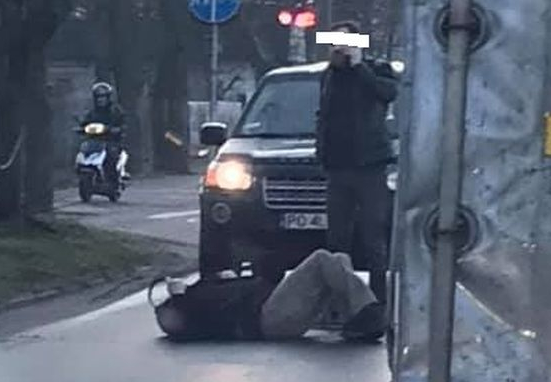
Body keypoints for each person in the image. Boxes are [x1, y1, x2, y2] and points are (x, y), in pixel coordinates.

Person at [316, 20, 398, 304]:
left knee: (373, 236)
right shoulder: (329, 76)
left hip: (369, 165)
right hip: (338, 166)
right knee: (337, 240)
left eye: (346, 41)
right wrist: (322, 154)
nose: (339, 48)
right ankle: (341, 300)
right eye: (334, 42)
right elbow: (324, 116)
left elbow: (387, 93)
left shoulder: (376, 69)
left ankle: (378, 301)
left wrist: (358, 65)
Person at [156, 250, 388, 343]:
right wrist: (179, 296)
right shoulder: (192, 305)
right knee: (321, 260)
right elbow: (179, 325)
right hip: (266, 317)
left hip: (273, 307)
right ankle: (368, 312)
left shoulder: (207, 290)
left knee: (339, 259)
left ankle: (353, 319)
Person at [81, 81, 126, 187]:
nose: (100, 99)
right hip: (94, 140)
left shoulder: (115, 110)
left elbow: (123, 122)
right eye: (98, 97)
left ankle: (113, 180)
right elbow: (85, 122)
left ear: (108, 98)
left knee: (111, 155)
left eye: (103, 97)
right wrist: (81, 128)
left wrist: (117, 129)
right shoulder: (92, 112)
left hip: (111, 140)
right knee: (83, 150)